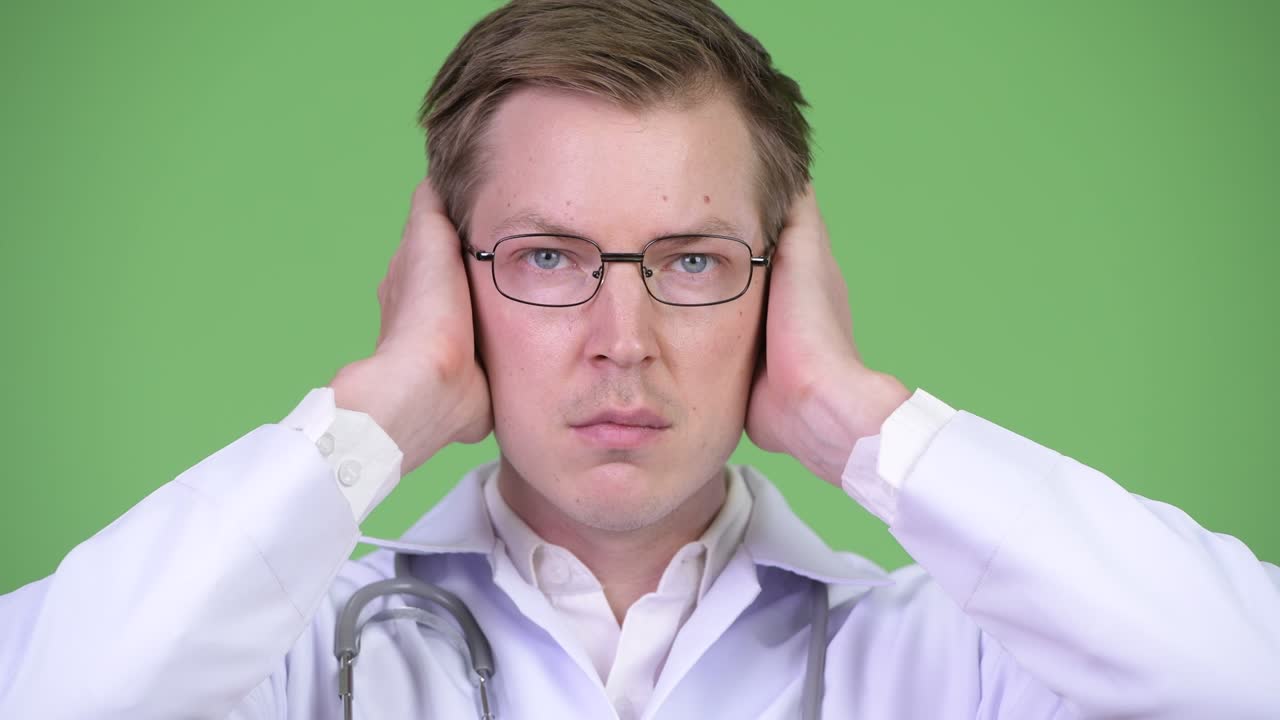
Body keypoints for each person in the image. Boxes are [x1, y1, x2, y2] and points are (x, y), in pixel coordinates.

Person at [1, 0, 1278, 717]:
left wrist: (858, 422)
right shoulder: (285, 649)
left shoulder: (952, 659)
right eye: (549, 259)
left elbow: (1245, 676)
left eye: (694, 260)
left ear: (783, 292)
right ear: (453, 281)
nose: (626, 341)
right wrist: (372, 417)